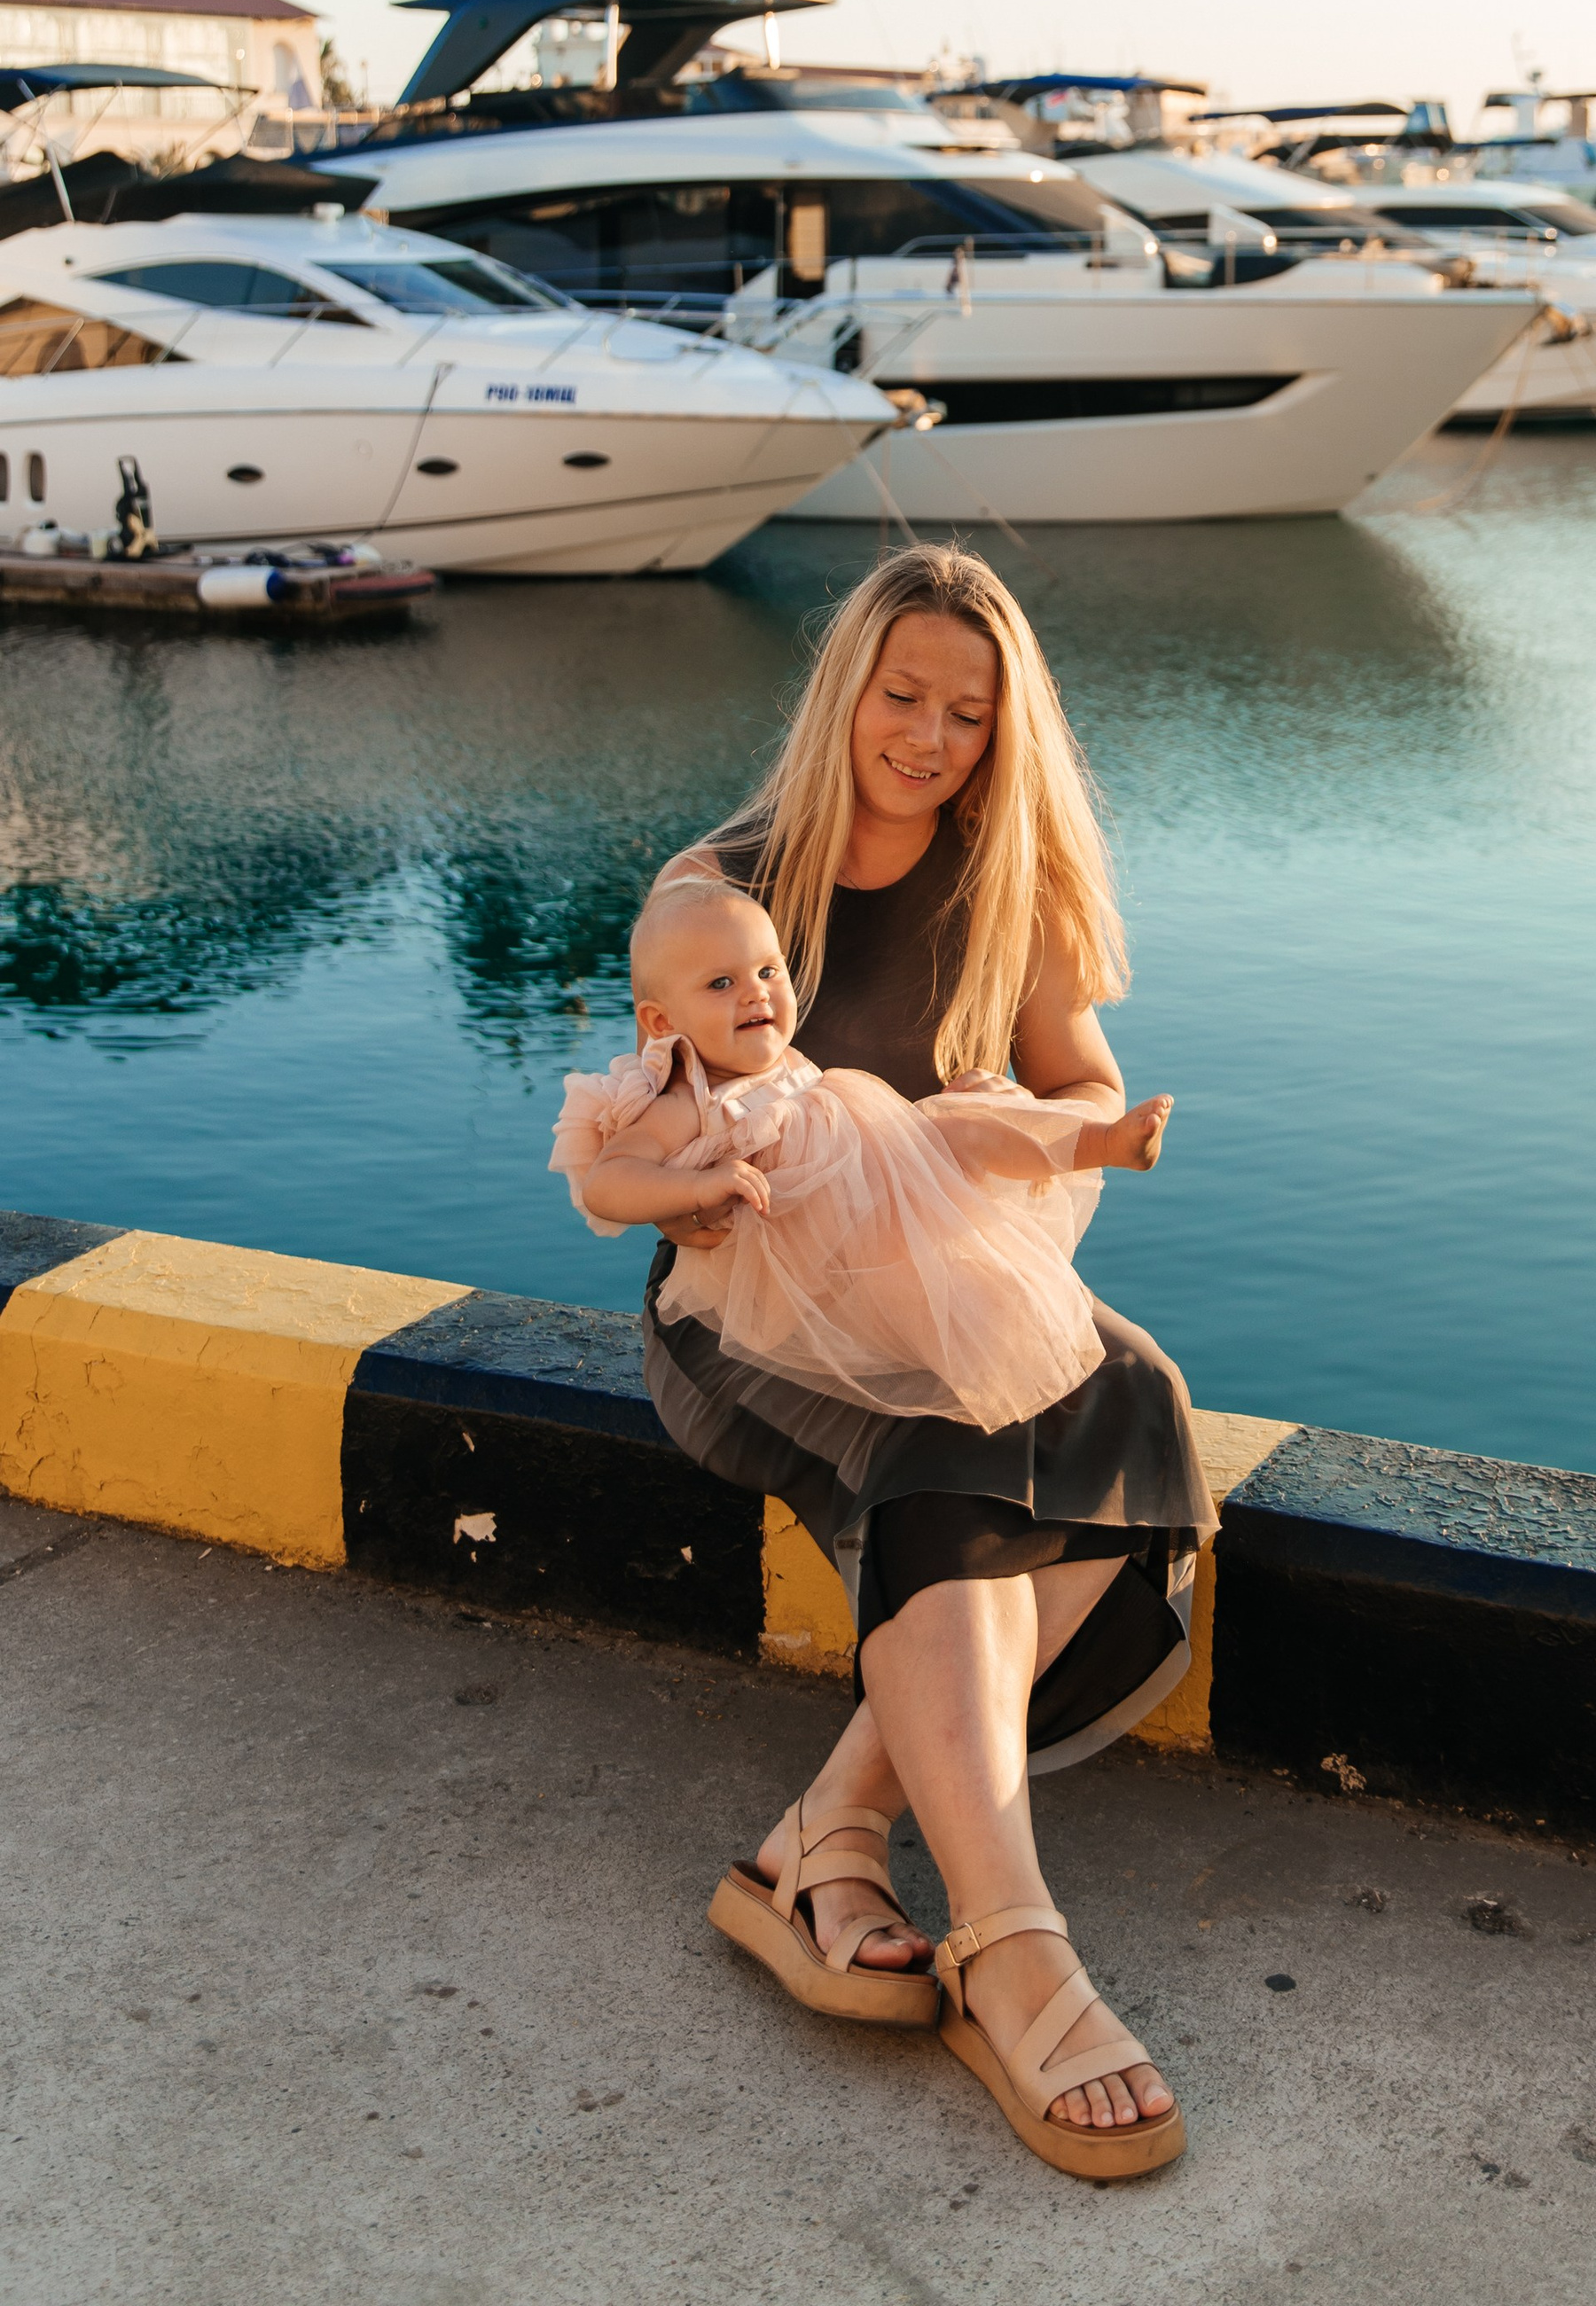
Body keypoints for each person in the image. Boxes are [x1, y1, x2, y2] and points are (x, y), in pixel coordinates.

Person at [637, 543, 1210, 2180]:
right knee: (947, 1460)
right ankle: (1016, 1948)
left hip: (944, 1294)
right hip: (745, 1311)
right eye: (904, 696)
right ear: (847, 693)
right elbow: (658, 1146)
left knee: (1135, 1409)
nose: (933, 735)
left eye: (970, 710)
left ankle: (830, 1832)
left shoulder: (1010, 885)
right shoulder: (727, 887)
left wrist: (1084, 1131)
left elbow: (1068, 1088)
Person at [552, 875, 1172, 1431]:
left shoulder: (792, 1070)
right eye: (721, 983)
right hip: (815, 1261)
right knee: (950, 1322)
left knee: (961, 1123)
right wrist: (701, 1185)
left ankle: (1098, 1142)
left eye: (769, 972)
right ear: (661, 1023)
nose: (756, 995)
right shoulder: (693, 1101)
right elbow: (608, 1182)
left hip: (870, 1200)